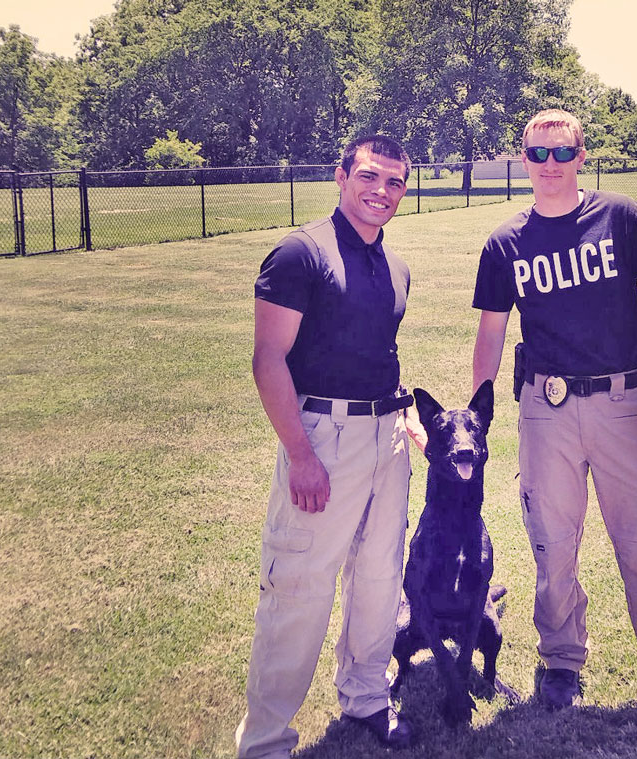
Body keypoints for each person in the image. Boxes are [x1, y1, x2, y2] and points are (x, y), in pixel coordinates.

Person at [471, 109, 637, 734]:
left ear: (583, 156)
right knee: (552, 547)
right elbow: (491, 332)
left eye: (563, 153)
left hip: (623, 403)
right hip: (545, 409)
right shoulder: (505, 243)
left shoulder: (620, 217)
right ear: (522, 158)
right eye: (538, 153)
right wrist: (478, 411)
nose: (550, 165)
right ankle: (560, 662)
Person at [236, 134, 422, 757]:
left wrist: (403, 415)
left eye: (395, 182)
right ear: (341, 175)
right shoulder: (300, 253)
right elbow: (269, 361)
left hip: (386, 438)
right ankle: (265, 741)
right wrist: (301, 455)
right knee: (299, 588)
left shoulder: (393, 265)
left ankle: (367, 695)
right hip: (323, 435)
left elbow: (375, 352)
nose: (382, 191)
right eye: (370, 176)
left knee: (377, 578)